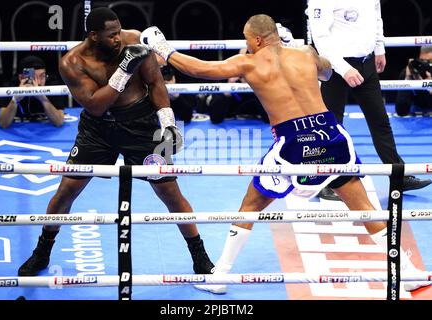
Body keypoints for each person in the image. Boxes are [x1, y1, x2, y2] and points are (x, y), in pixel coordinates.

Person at [140, 14, 430, 293]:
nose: (246, 44)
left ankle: (221, 275)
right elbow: (328, 72)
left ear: (256, 39)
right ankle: (408, 272)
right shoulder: (304, 53)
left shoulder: (249, 63)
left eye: (246, 39)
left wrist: (162, 47)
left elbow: (199, 69)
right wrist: (296, 51)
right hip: (329, 133)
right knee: (363, 206)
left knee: (251, 204)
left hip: (293, 142)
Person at [18, 7, 214, 277]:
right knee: (66, 191)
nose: (118, 39)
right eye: (111, 36)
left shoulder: (133, 40)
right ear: (94, 36)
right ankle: (42, 253)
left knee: (170, 192)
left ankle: (199, 256)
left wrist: (168, 122)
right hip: (97, 129)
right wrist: (123, 70)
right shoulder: (72, 62)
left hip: (141, 126)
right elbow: (96, 105)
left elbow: (155, 82)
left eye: (119, 32)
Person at [306, 0, 431, 201]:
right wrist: (343, 68)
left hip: (366, 62)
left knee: (380, 121)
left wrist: (379, 48)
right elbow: (320, 37)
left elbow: (375, 16)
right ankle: (326, 181)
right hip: (332, 67)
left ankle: (398, 175)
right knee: (330, 126)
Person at [0, 55, 65, 129]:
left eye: (42, 76)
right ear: (21, 78)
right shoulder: (11, 86)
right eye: (33, 77)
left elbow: (59, 122)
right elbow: (3, 124)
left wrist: (43, 98)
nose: (38, 82)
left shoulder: (53, 86)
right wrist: (15, 100)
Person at [395, 46, 432, 116]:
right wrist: (407, 79)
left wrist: (429, 86)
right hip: (417, 113)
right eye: (422, 60)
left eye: (429, 62)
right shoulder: (412, 72)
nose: (425, 64)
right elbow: (401, 112)